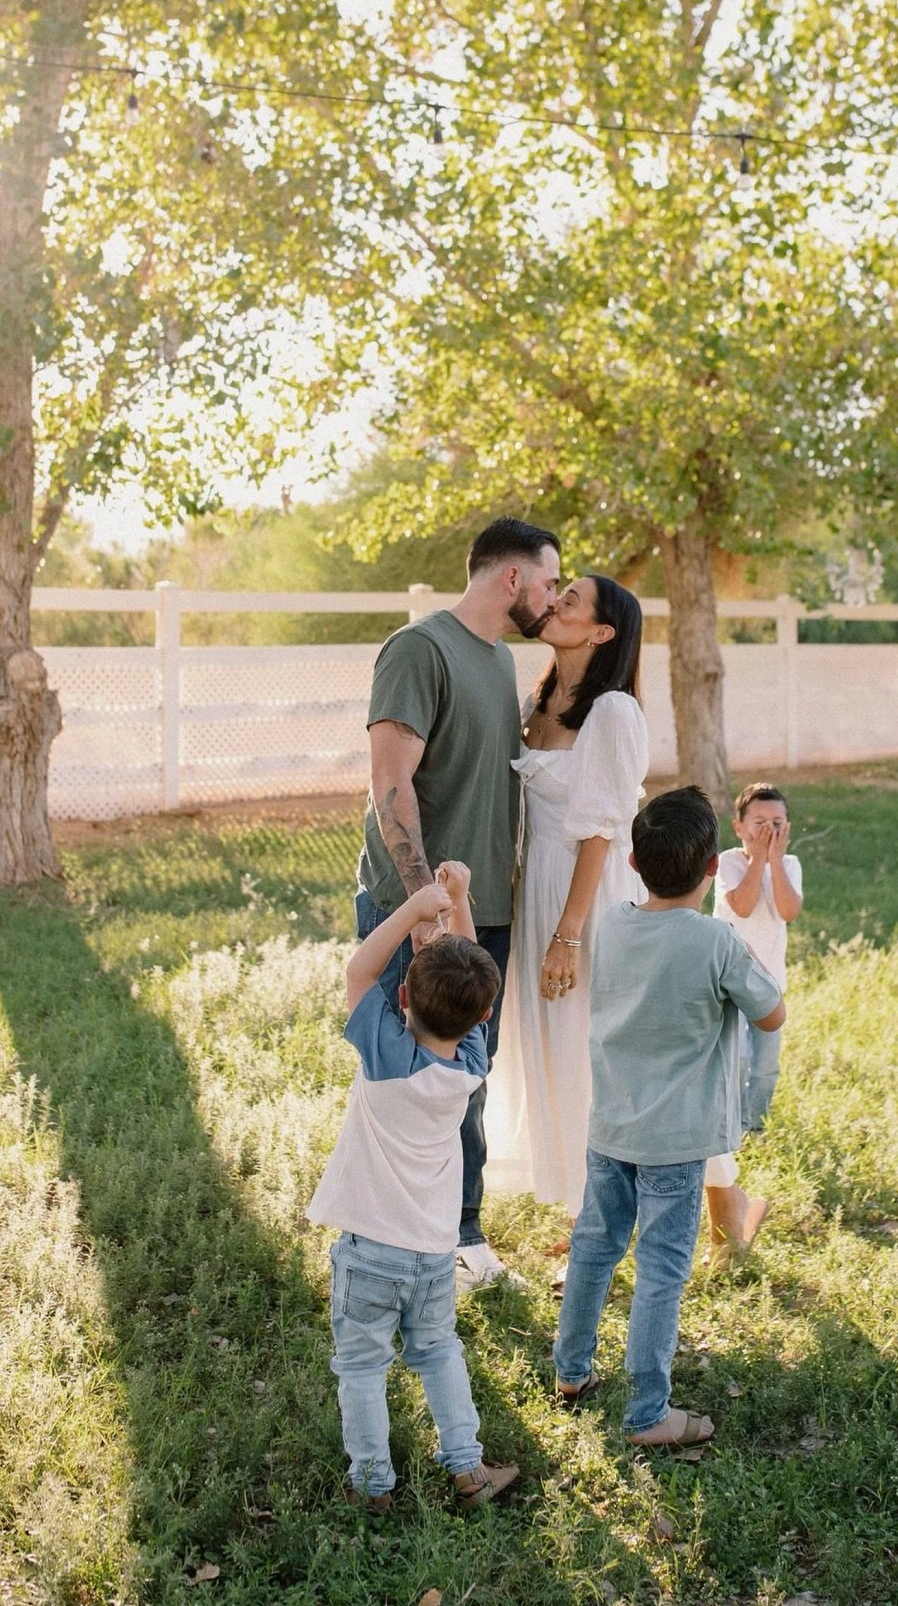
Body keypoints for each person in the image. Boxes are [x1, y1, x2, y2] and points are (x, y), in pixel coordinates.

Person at [356, 515, 561, 1291]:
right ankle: (396, 1243)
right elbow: (390, 782)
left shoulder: (500, 658)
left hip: (485, 912)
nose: (550, 597)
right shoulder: (421, 649)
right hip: (415, 915)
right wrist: (422, 912)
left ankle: (459, 1236)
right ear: (511, 578)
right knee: (405, 1080)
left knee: (467, 1076)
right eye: (546, 582)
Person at [552, 787, 785, 1447]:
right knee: (660, 1268)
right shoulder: (715, 942)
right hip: (675, 1145)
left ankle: (570, 1374)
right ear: (714, 868)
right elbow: (771, 1013)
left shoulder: (613, 925)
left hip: (611, 1129)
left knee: (594, 1248)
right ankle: (649, 1414)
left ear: (631, 860)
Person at [309, 861, 521, 1512]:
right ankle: (468, 1469)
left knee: (364, 1369)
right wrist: (456, 900)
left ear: (402, 1000)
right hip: (431, 1253)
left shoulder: (386, 1057)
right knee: (437, 1354)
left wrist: (410, 912)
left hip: (370, 1251)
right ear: (484, 1015)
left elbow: (356, 972)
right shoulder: (471, 1063)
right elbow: (474, 974)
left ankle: (373, 1486)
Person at [484, 575, 647, 1218]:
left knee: (588, 1048)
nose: (555, 603)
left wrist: (567, 934)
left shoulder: (612, 711)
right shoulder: (540, 699)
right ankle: (584, 1205)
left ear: (602, 632)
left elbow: (603, 833)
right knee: (550, 1040)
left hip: (588, 896)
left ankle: (598, 1217)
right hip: (540, 884)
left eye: (571, 600)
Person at [703, 782, 804, 1261]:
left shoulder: (791, 865)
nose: (769, 832)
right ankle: (732, 1129)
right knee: (733, 1056)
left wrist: (776, 861)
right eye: (759, 824)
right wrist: (759, 859)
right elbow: (741, 905)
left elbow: (787, 910)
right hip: (728, 981)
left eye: (778, 824)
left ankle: (754, 1125)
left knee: (764, 1064)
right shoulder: (729, 863)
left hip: (770, 982)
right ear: (739, 826)